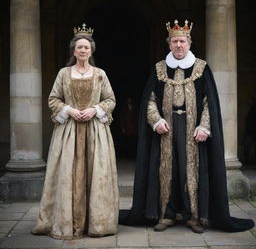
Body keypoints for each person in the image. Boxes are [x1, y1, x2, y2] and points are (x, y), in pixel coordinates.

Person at [119, 19, 254, 233]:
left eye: (182, 41)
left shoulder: (201, 68)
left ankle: (194, 217)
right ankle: (167, 214)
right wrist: (156, 121)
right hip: (166, 128)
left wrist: (204, 127)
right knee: (168, 171)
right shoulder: (159, 69)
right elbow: (150, 100)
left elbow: (210, 103)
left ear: (189, 43)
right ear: (169, 44)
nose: (179, 45)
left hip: (194, 130)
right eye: (174, 42)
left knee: (190, 170)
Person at [32, 24, 119, 239]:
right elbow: (53, 99)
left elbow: (110, 99)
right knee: (66, 175)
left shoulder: (100, 74)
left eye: (86, 48)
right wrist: (69, 110)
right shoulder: (64, 73)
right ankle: (64, 221)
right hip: (69, 132)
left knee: (96, 175)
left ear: (91, 51)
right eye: (79, 47)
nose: (82, 51)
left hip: (95, 132)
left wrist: (94, 109)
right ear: (73, 51)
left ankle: (96, 223)